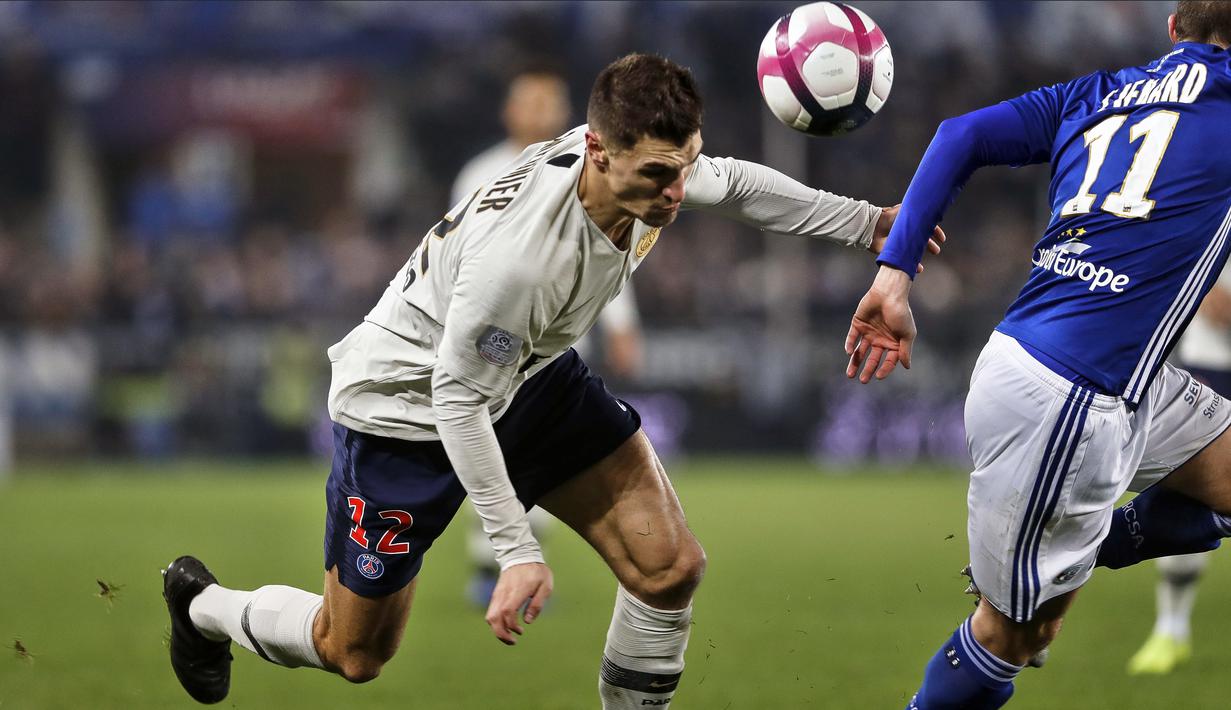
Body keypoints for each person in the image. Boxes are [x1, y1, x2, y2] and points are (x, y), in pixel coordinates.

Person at [162, 53, 941, 707]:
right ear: (599, 151)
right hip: (407, 409)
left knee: (668, 568)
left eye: (683, 167)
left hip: (526, 377)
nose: (676, 193)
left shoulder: (646, 171)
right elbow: (456, 400)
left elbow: (731, 185)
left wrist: (866, 222)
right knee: (354, 651)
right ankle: (203, 608)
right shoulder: (521, 261)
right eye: (659, 174)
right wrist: (515, 552)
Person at [844, 3, 1231, 708]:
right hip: (1070, 401)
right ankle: (1064, 549)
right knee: (1013, 636)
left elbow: (958, 135)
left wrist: (892, 275)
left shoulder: (1096, 93)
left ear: (1171, 27)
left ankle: (1088, 542)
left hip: (1099, 372)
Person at [450, 67, 644, 608]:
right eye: (530, 101)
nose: (540, 112)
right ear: (508, 111)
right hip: (491, 337)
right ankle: (496, 564)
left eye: (550, 102)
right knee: (494, 448)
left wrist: (622, 325)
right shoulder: (481, 173)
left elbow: (609, 251)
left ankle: (508, 563)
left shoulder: (592, 169)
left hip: (557, 341)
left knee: (534, 454)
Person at [1127, 260, 1231, 675]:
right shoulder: (1215, 198)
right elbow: (1208, 295)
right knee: (1184, 495)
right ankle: (1171, 628)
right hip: (1212, 364)